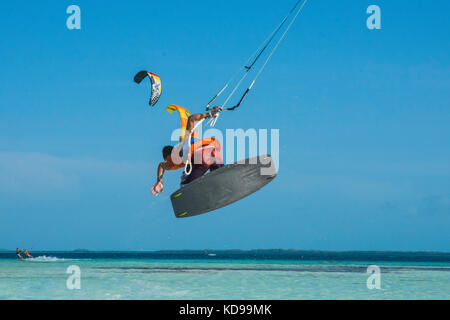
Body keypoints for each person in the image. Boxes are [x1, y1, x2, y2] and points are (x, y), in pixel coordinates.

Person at [151, 107, 224, 196]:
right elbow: (191, 119)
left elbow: (161, 165)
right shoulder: (189, 139)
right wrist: (210, 114)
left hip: (200, 157)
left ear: (167, 157)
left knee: (185, 187)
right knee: (220, 176)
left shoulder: (172, 159)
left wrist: (159, 181)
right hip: (213, 152)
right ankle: (224, 183)